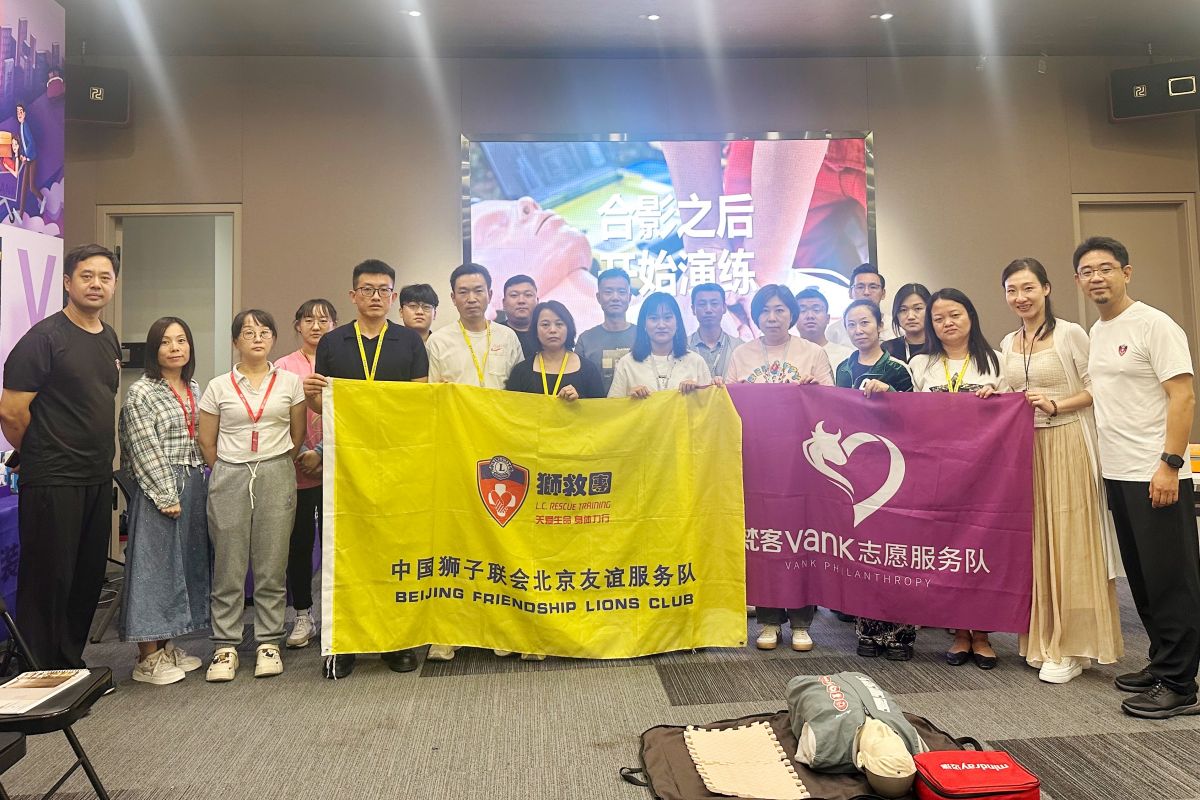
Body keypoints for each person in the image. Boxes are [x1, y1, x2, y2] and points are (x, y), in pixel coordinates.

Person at [1075, 236, 1200, 719]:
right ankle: (1163, 661)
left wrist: (1170, 463)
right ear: (1078, 281)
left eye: (1105, 268)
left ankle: (1181, 685)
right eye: (1087, 271)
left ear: (1126, 273)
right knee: (1144, 579)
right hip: (1118, 471)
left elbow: (1183, 396)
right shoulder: (1100, 330)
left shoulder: (1155, 324)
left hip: (1156, 471)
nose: (1097, 277)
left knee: (1172, 580)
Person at [997, 258, 1122, 685]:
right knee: (1038, 545)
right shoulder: (1008, 341)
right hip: (1026, 451)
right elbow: (1010, 392)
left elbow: (1095, 388)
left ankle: (1073, 646)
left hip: (1068, 442)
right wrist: (993, 393)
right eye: (1012, 290)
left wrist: (1055, 405)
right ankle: (1045, 639)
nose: (1021, 298)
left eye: (1028, 288)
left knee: (1072, 542)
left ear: (1047, 289)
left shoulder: (1070, 334)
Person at [304, 259, 430, 679]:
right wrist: (312, 395)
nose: (376, 297)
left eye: (383, 290)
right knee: (346, 550)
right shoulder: (333, 342)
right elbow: (322, 405)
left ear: (393, 297)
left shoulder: (409, 342)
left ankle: (397, 641)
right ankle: (345, 644)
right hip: (348, 463)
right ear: (353, 295)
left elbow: (417, 402)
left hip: (397, 459)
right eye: (367, 289)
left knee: (396, 547)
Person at [0, 243, 121, 670]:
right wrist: (38, 452)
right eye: (86, 276)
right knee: (48, 579)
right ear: (68, 282)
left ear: (114, 285)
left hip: (96, 474)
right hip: (53, 477)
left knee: (86, 578)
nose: (96, 284)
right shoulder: (44, 339)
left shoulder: (107, 337)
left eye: (105, 277)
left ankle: (68, 663)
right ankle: (37, 670)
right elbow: (12, 412)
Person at [198, 310, 306, 683]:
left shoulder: (290, 382)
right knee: (228, 563)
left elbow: (297, 435)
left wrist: (274, 463)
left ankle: (268, 642)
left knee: (271, 562)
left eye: (264, 332)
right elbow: (206, 441)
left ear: (273, 338)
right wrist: (229, 469)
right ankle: (225, 645)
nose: (257, 338)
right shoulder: (219, 386)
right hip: (230, 473)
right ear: (235, 341)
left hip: (276, 470)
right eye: (248, 332)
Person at [726, 284, 832, 652]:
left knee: (803, 536)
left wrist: (814, 390)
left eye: (780, 310)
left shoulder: (812, 352)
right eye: (765, 311)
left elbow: (831, 404)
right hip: (758, 462)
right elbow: (728, 405)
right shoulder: (741, 354)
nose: (772, 317)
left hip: (801, 463)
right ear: (756, 316)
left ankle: (802, 621)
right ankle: (769, 620)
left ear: (792, 314)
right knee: (764, 538)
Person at [909, 288, 1006, 670]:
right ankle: (959, 632)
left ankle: (982, 634)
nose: (947, 323)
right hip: (937, 472)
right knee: (948, 549)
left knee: (982, 549)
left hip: (986, 471)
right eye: (939, 318)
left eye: (955, 315)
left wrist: (997, 398)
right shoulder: (921, 364)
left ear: (971, 317)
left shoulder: (997, 360)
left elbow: (1015, 409)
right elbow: (909, 415)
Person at [117, 317, 210, 684]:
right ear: (154, 349)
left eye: (181, 340)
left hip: (193, 481)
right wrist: (164, 492)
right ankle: (147, 657)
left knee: (181, 567)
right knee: (153, 570)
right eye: (166, 342)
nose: (175, 348)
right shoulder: (141, 392)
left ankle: (167, 646)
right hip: (160, 486)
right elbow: (143, 447)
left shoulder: (194, 387)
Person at [833, 300, 915, 660]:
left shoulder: (897, 368)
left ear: (880, 325)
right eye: (851, 324)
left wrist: (890, 395)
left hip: (895, 467)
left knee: (896, 550)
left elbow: (919, 416)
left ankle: (900, 632)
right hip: (857, 471)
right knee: (862, 548)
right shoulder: (843, 368)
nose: (858, 330)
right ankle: (866, 630)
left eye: (865, 322)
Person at [275, 299, 338, 651]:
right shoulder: (283, 367)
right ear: (297, 325)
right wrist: (302, 453)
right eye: (309, 320)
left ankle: (337, 615)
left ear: (335, 325)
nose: (316, 326)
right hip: (297, 468)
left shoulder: (343, 361)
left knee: (337, 544)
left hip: (337, 468)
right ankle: (302, 614)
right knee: (299, 545)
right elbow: (275, 416)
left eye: (324, 320)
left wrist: (323, 453)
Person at [427, 263, 524, 389]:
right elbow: (432, 390)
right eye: (463, 292)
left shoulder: (508, 336)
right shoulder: (438, 341)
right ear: (453, 298)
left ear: (490, 295)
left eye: (478, 291)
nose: (471, 299)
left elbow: (520, 385)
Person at [607, 292, 714, 398]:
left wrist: (697, 393)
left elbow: (710, 403)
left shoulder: (695, 361)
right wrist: (629, 399)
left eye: (667, 318)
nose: (661, 325)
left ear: (677, 323)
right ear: (644, 324)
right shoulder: (627, 363)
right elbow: (613, 406)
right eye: (654, 318)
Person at [505, 301, 605, 401]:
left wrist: (579, 401)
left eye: (559, 324)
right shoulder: (521, 371)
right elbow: (510, 407)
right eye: (545, 324)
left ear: (569, 329)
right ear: (535, 330)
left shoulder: (589, 369)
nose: (553, 330)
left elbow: (600, 408)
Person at [576, 268, 638, 395]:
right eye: (608, 292)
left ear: (629, 297)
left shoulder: (644, 335)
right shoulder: (585, 340)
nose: (615, 297)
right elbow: (578, 382)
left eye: (621, 292)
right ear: (598, 297)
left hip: (638, 407)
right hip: (597, 407)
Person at [825, 264, 893, 347]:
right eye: (860, 287)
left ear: (883, 293)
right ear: (850, 293)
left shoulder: (896, 328)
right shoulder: (834, 331)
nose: (866, 292)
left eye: (873, 287)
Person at [795, 286, 854, 373]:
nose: (810, 316)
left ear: (827, 318)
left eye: (816, 310)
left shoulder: (847, 356)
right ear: (794, 318)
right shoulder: (785, 354)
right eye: (802, 310)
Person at [688, 283, 738, 380]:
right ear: (693, 309)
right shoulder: (682, 347)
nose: (708, 309)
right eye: (702, 304)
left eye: (714, 303)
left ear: (724, 308)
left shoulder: (738, 347)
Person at [882, 283, 931, 363]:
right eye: (903, 310)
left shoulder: (942, 346)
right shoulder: (887, 349)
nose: (911, 316)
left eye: (918, 308)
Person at [500, 274, 539, 359]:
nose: (521, 301)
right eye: (514, 295)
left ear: (537, 301)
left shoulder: (547, 333)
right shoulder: (494, 334)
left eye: (528, 295)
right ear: (504, 303)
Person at [15, 103, 40, 216]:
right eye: (17, 112)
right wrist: (22, 155)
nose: (19, 114)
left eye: (21, 112)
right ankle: (20, 214)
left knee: (31, 187)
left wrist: (26, 155)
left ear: (24, 114)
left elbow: (31, 142)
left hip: (32, 159)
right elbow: (23, 144)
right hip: (27, 160)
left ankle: (42, 199)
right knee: (24, 188)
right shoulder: (21, 126)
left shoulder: (25, 126)